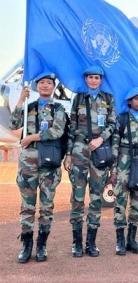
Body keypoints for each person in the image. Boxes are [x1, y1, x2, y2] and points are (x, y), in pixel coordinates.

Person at [10, 72, 67, 263]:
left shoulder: (58, 108)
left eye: (48, 83)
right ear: (37, 86)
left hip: (49, 163)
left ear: (53, 86)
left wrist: (32, 137)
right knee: (27, 206)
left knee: (46, 206)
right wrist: (20, 100)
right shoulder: (29, 107)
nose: (44, 85)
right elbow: (14, 124)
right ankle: (26, 246)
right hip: (28, 162)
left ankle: (42, 245)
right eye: (41, 82)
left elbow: (57, 131)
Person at [64, 65, 116, 257]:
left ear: (101, 80)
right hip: (79, 150)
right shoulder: (79, 98)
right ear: (86, 79)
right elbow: (72, 127)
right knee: (77, 197)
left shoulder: (108, 99)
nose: (94, 80)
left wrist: (101, 138)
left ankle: (91, 243)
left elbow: (112, 124)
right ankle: (77, 243)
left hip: (100, 150)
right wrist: (68, 154)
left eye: (97, 77)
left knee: (96, 198)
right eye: (91, 77)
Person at [111, 87, 138, 255]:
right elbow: (115, 144)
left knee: (137, 200)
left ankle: (131, 240)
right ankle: (120, 241)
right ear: (129, 102)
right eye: (136, 99)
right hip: (123, 162)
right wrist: (113, 168)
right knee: (120, 200)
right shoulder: (122, 118)